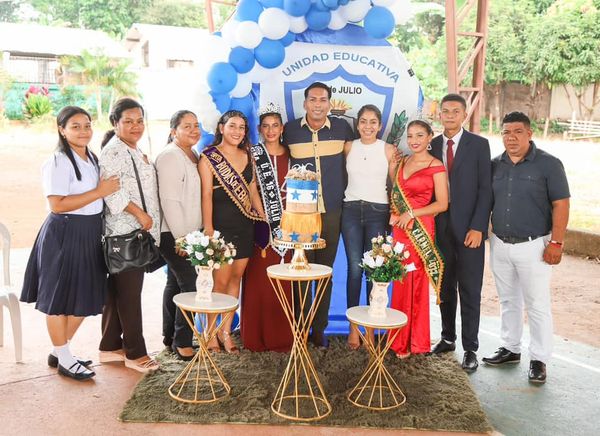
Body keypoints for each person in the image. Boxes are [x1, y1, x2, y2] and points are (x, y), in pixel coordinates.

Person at [20, 106, 119, 381]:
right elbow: (57, 204)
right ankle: (64, 357)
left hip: (90, 232)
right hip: (64, 233)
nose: (83, 131)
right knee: (59, 298)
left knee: (86, 295)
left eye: (87, 125)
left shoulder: (92, 158)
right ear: (62, 130)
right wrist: (98, 192)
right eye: (75, 126)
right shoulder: (58, 161)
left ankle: (59, 351)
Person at [482, 112, 569, 384]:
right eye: (506, 132)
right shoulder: (495, 165)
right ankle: (510, 348)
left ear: (529, 134)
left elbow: (561, 204)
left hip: (534, 246)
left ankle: (539, 359)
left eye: (518, 132)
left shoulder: (549, 164)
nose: (511, 137)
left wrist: (556, 242)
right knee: (508, 300)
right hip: (500, 243)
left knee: (537, 304)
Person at [283, 81, 354, 348]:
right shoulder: (290, 131)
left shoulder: (342, 128)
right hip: (300, 216)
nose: (317, 104)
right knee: (300, 273)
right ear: (305, 103)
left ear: (329, 103)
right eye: (312, 99)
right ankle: (300, 328)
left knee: (324, 273)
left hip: (332, 212)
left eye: (323, 100)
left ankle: (319, 329)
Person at [429, 93, 492, 373]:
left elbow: (485, 189)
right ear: (439, 114)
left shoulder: (479, 145)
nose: (450, 116)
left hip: (470, 230)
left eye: (456, 111)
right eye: (445, 111)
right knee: (444, 286)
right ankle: (447, 338)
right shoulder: (431, 145)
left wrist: (479, 226)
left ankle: (470, 348)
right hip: (440, 228)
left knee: (469, 288)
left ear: (464, 115)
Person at [98, 97, 161, 373]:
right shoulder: (113, 152)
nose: (136, 126)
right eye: (128, 121)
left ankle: (109, 346)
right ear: (115, 123)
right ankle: (136, 353)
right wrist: (140, 214)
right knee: (129, 295)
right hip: (126, 232)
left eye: (139, 121)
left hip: (135, 231)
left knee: (118, 292)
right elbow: (112, 192)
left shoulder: (132, 148)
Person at [199, 110, 265, 353]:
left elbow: (253, 190)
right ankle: (210, 333)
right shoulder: (209, 157)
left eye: (241, 127)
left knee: (236, 279)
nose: (237, 131)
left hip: (244, 226)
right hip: (220, 227)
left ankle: (225, 332)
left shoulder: (248, 155)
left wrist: (263, 218)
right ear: (221, 128)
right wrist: (208, 228)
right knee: (219, 282)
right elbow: (206, 194)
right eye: (232, 126)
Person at [389, 120, 448, 358]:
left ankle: (414, 341)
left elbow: (442, 204)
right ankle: (398, 337)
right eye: (411, 135)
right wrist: (396, 214)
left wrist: (412, 213)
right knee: (400, 280)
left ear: (430, 137)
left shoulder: (436, 166)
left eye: (420, 135)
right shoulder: (403, 161)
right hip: (400, 228)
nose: (414, 140)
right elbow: (395, 192)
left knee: (415, 281)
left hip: (420, 227)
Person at [341, 104, 396, 350]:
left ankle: (371, 330)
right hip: (351, 210)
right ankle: (354, 328)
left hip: (378, 212)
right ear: (357, 124)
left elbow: (395, 186)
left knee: (374, 272)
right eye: (363, 121)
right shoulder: (348, 147)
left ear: (380, 125)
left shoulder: (388, 150)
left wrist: (395, 212)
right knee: (354, 269)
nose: (368, 126)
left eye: (373, 122)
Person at [241, 103, 293, 352]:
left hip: (290, 227)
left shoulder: (292, 154)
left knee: (284, 280)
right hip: (261, 227)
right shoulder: (253, 154)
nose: (271, 131)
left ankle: (281, 335)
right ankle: (255, 336)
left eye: (275, 126)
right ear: (259, 129)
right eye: (266, 126)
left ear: (282, 128)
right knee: (259, 281)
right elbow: (250, 190)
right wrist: (266, 218)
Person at [155, 110, 202, 361]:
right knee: (190, 284)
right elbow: (169, 200)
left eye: (196, 125)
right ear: (174, 131)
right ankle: (182, 341)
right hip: (173, 233)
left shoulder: (193, 154)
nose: (194, 130)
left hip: (189, 233)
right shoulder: (170, 156)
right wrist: (182, 238)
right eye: (187, 126)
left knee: (174, 283)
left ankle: (169, 336)